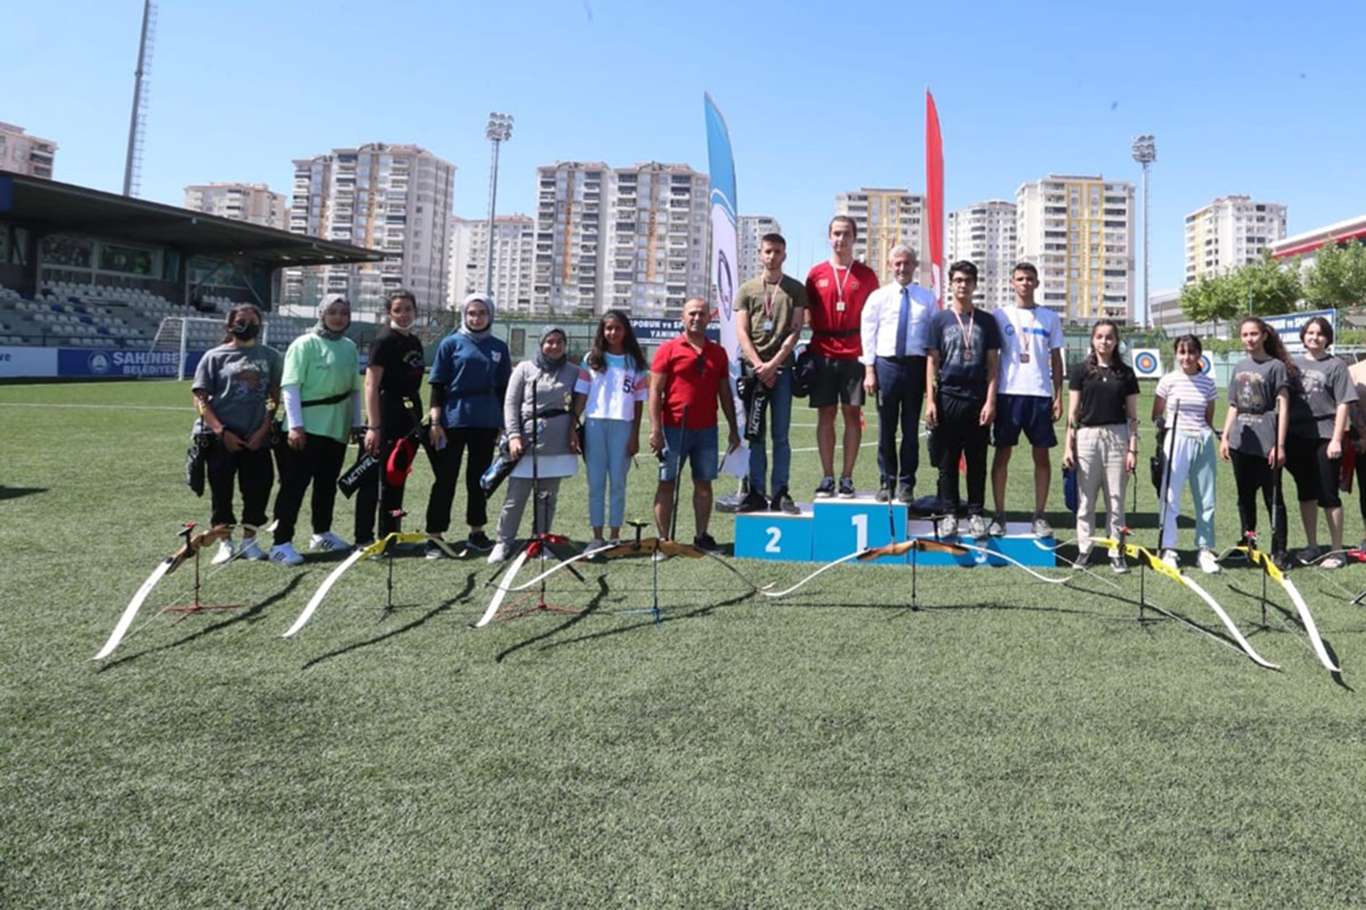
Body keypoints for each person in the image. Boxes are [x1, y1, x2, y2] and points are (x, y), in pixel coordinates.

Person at [269, 295, 361, 566]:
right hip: (306, 427)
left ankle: (321, 533)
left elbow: (355, 389)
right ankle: (280, 543)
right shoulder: (304, 344)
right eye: (333, 312)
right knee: (294, 486)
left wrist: (355, 422)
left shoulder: (349, 347)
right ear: (322, 313)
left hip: (337, 427)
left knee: (326, 484)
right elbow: (291, 387)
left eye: (344, 313)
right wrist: (296, 426)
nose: (338, 317)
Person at [191, 304, 282, 564]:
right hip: (221, 438)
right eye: (241, 320)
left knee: (258, 488)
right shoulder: (214, 357)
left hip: (257, 436)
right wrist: (221, 431)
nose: (247, 325)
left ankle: (250, 540)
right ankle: (225, 542)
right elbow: (201, 399)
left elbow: (273, 396)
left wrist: (265, 426)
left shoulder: (270, 356)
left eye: (253, 320)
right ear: (230, 325)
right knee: (221, 491)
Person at [649, 297, 741, 551]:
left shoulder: (718, 353)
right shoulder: (667, 349)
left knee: (703, 484)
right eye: (692, 314)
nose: (697, 318)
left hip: (706, 430)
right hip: (673, 428)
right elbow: (655, 392)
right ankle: (664, 540)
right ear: (682, 317)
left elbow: (724, 394)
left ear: (709, 318)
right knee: (667, 483)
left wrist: (733, 427)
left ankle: (701, 537)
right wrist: (656, 430)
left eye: (701, 314)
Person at [424, 293, 511, 558]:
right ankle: (435, 536)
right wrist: (436, 421)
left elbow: (503, 388)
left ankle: (476, 531)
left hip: (486, 419)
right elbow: (437, 385)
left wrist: (503, 424)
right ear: (465, 314)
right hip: (453, 418)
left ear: (490, 315)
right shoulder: (450, 344)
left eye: (482, 313)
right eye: (472, 313)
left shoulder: (499, 347)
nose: (476, 318)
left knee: (479, 479)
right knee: (445, 478)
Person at [490, 327, 581, 563]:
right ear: (541, 344)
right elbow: (511, 404)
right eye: (549, 341)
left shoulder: (573, 372)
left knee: (547, 497)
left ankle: (540, 541)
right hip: (526, 442)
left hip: (557, 442)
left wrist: (574, 431)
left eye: (560, 341)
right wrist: (514, 436)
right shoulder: (524, 368)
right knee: (516, 496)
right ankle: (503, 542)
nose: (555, 346)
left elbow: (579, 404)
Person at [925, 260, 1001, 537]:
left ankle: (976, 513)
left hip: (977, 397)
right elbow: (931, 363)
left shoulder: (987, 321)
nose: (962, 285)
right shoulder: (939, 320)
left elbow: (994, 365)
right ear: (951, 283)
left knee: (977, 460)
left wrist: (990, 401)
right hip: (947, 396)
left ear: (975, 285)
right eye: (957, 280)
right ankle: (949, 514)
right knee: (947, 461)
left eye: (967, 281)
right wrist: (930, 401)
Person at [989, 262, 1065, 537]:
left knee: (1041, 457)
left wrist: (1058, 396)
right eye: (1020, 279)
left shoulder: (1049, 317)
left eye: (1030, 279)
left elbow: (1056, 359)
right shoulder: (1000, 315)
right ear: (1012, 282)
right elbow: (993, 359)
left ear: (1037, 283)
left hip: (1040, 394)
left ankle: (1040, 515)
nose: (1025, 283)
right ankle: (999, 514)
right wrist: (992, 397)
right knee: (1002, 455)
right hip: (1008, 394)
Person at [804, 216, 878, 498]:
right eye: (836, 233)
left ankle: (847, 477)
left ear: (854, 238)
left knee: (852, 414)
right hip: (822, 351)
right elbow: (807, 312)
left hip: (855, 352)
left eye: (846, 234)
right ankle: (827, 477)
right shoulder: (815, 274)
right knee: (825, 414)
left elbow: (873, 317)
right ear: (829, 236)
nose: (840, 239)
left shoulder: (867, 275)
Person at [735, 232, 805, 513]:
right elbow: (741, 331)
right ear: (760, 254)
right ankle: (755, 491)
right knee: (755, 434)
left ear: (784, 255)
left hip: (783, 371)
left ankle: (780, 491)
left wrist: (774, 364)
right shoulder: (747, 290)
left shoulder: (796, 289)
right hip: (753, 371)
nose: (772, 256)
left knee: (781, 435)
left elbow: (796, 331)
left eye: (777, 252)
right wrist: (758, 365)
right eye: (767, 251)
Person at [1062, 319, 1139, 573]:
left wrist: (1132, 449)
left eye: (1109, 337)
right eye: (1099, 336)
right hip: (1086, 438)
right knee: (1086, 500)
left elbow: (1132, 416)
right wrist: (1068, 447)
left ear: (1116, 341)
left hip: (1117, 437)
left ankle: (1116, 551)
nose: (1104, 341)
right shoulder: (1080, 371)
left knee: (1115, 499)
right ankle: (1085, 550)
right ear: (1092, 340)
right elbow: (1072, 413)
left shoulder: (1126, 373)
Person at [860, 244, 934, 503]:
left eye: (907, 263)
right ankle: (887, 481)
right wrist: (869, 370)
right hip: (886, 366)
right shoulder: (878, 297)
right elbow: (868, 334)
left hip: (915, 367)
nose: (902, 268)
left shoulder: (927, 299)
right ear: (890, 265)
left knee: (911, 430)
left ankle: (906, 484)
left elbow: (933, 340)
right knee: (886, 430)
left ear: (915, 266)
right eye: (897, 263)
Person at [354, 289, 426, 548]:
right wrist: (374, 426)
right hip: (385, 417)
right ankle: (364, 539)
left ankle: (390, 535)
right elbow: (371, 385)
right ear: (389, 312)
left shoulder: (414, 342)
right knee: (372, 482)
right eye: (398, 310)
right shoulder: (383, 341)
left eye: (408, 309)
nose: (404, 314)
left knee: (397, 477)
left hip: (408, 419)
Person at [1219, 316, 1291, 568]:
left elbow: (1283, 407)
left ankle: (1279, 549)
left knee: (1273, 498)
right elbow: (1233, 406)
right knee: (1244, 497)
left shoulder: (1275, 367)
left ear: (1264, 336)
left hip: (1267, 444)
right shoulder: (1239, 367)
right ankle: (1247, 543)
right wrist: (1226, 436)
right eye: (1245, 335)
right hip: (1241, 443)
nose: (1249, 339)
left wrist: (1279, 444)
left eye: (1253, 334)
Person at [1285, 316, 1357, 568]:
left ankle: (1337, 551)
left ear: (1328, 338)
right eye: (1310, 332)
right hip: (1296, 438)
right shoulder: (1291, 364)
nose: (1314, 337)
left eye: (1320, 333)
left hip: (1325, 438)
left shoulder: (1336, 365)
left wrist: (1337, 438)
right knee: (1305, 493)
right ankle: (1312, 545)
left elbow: (1343, 403)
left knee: (1328, 494)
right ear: (1303, 335)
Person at [574, 310, 648, 549]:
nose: (612, 333)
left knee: (618, 482)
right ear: (602, 331)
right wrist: (572, 427)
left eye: (617, 328)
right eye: (608, 328)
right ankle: (597, 536)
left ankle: (615, 535)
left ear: (625, 331)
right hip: (594, 425)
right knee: (596, 483)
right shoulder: (591, 359)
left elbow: (638, 402)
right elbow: (581, 396)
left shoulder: (634, 362)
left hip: (623, 427)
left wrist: (635, 435)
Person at [1151, 335, 1221, 574]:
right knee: (1170, 495)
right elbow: (1156, 414)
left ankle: (1205, 549)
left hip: (1202, 439)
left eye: (1191, 352)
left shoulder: (1208, 383)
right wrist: (1163, 424)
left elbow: (1208, 418)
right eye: (1182, 352)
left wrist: (1207, 433)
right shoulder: (1168, 380)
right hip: (1176, 438)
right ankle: (1169, 547)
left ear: (1199, 355)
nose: (1187, 357)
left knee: (1206, 497)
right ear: (1176, 354)